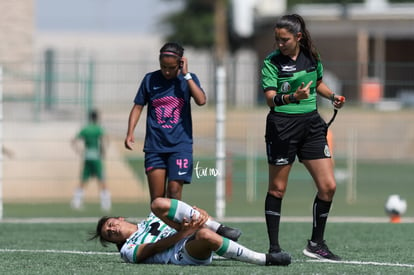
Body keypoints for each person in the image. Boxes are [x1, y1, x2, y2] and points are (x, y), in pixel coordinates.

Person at [261, 14, 345, 261]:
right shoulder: (271, 62)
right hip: (282, 126)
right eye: (276, 39)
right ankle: (274, 249)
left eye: (284, 39)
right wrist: (292, 98)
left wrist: (332, 97)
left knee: (328, 187)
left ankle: (316, 244)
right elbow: (270, 99)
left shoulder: (312, 57)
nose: (279, 44)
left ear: (297, 37)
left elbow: (317, 82)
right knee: (277, 189)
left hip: (311, 125)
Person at [91, 197, 291, 266]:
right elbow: (155, 248)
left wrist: (197, 215)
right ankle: (265, 259)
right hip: (180, 254)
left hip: (185, 234)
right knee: (204, 235)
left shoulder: (149, 219)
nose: (112, 229)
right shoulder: (128, 250)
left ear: (119, 219)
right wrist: (187, 232)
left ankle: (220, 228)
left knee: (157, 203)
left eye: (110, 224)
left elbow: (181, 218)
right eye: (108, 234)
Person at [124, 42, 206, 202]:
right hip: (155, 147)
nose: (167, 71)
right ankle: (158, 227)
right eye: (163, 67)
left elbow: (201, 100)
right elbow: (138, 107)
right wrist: (130, 132)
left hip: (180, 146)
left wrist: (186, 74)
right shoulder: (150, 79)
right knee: (157, 199)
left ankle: (176, 227)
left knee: (174, 191)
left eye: (171, 68)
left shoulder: (188, 79)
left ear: (180, 63)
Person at [71, 109, 111, 211]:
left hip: (87, 157)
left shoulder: (85, 129)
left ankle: (76, 202)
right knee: (102, 180)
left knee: (83, 180)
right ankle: (105, 204)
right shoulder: (98, 129)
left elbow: (74, 140)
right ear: (97, 118)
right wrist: (104, 150)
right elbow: (105, 139)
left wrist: (79, 151)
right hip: (96, 158)